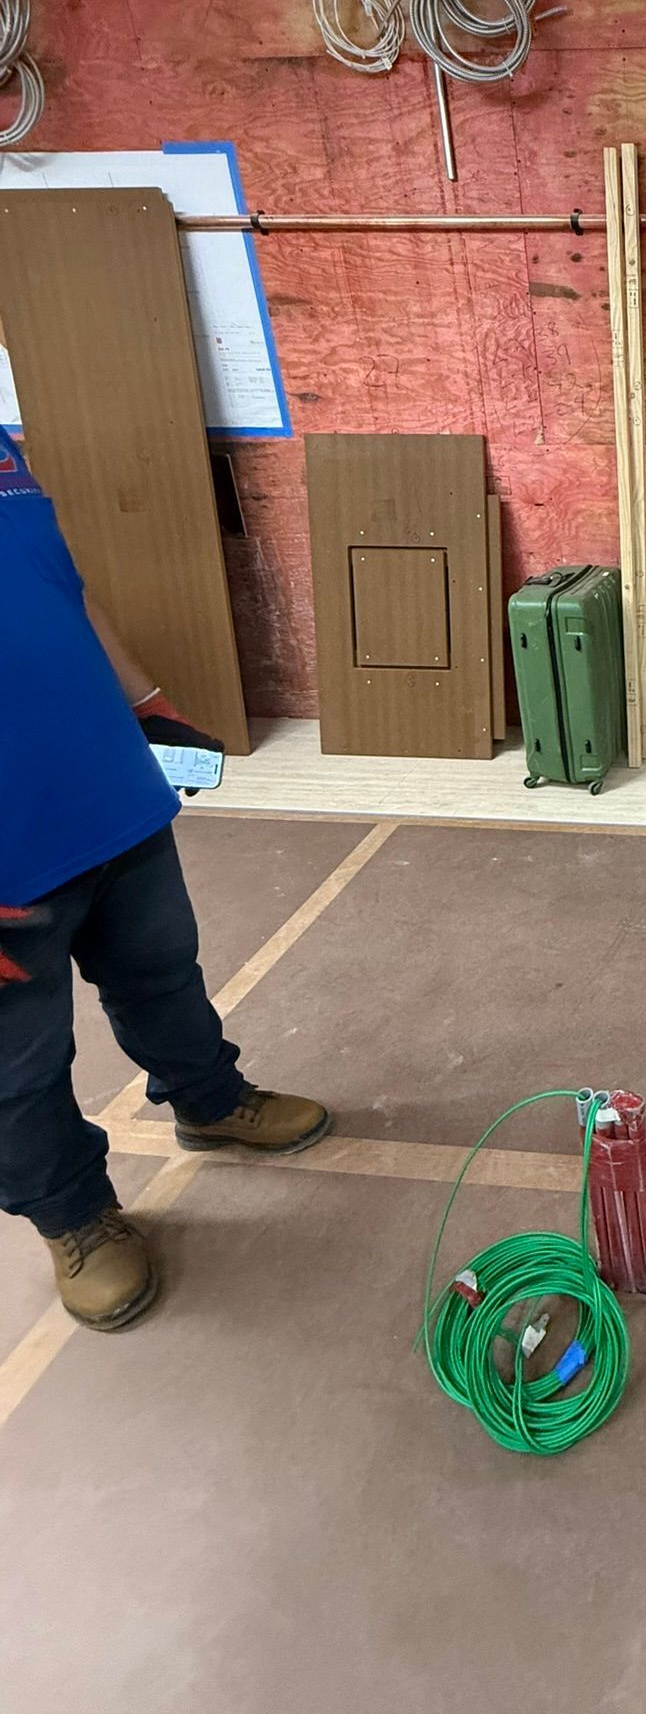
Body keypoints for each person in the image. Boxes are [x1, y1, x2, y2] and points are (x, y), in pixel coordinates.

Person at [1, 425, 330, 1330]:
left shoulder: (3, 449)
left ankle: (211, 1101)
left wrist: (145, 701)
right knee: (18, 1068)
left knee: (161, 970)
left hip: (103, 782)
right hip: (6, 852)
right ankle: (75, 1219)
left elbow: (63, 586)